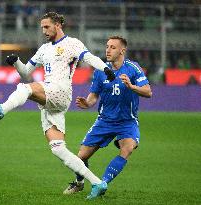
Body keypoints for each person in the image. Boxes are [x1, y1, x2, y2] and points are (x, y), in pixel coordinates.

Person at [0, 12, 115, 199]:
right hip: (50, 100)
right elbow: (26, 72)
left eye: (47, 27)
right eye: (42, 28)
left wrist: (105, 69)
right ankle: (97, 183)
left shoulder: (72, 43)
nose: (44, 31)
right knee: (58, 148)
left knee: (25, 89)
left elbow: (89, 58)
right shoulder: (44, 49)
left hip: (60, 91)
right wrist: (16, 62)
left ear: (58, 25)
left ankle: (2, 109)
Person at [63, 36, 152, 199]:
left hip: (127, 122)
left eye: (112, 47)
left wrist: (132, 87)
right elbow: (93, 96)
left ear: (122, 50)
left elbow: (148, 91)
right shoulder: (100, 70)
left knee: (127, 148)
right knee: (80, 157)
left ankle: (101, 183)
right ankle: (79, 182)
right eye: (107, 46)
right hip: (104, 121)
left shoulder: (133, 68)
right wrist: (87, 103)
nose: (108, 50)